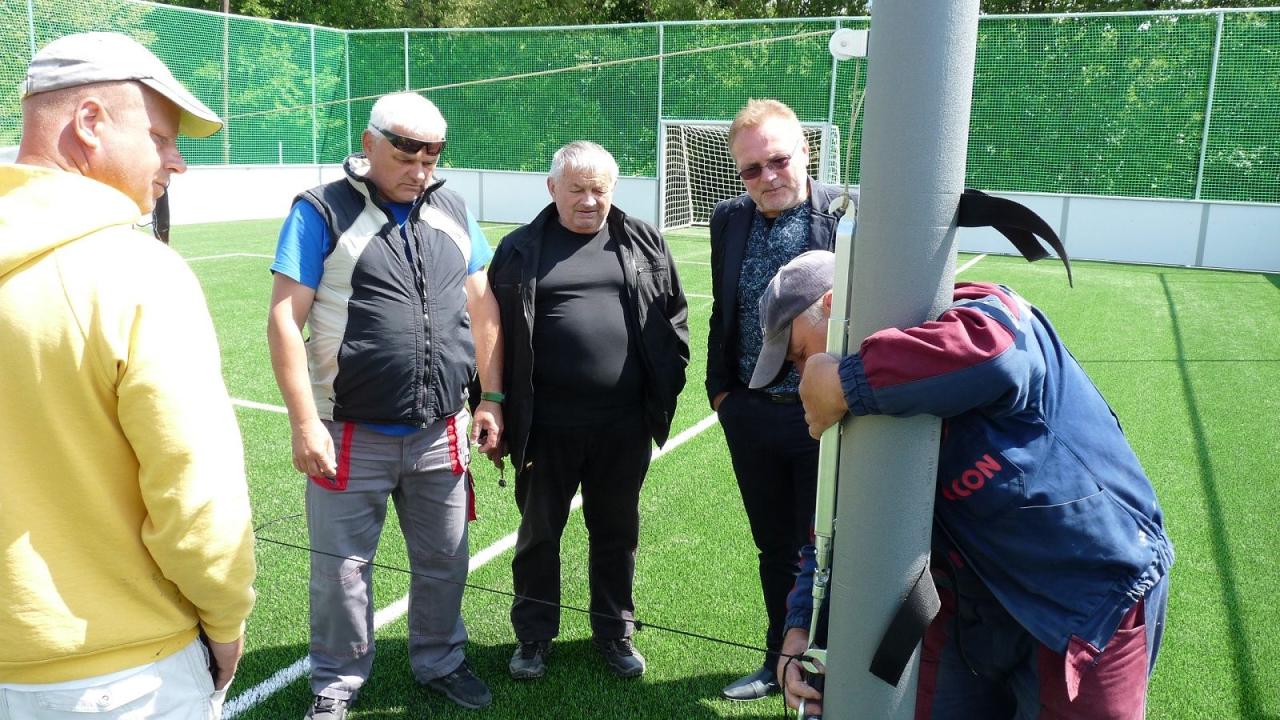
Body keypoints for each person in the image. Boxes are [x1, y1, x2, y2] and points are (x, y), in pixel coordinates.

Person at [749, 250, 1173, 718]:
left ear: (834, 304)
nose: (802, 376)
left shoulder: (977, 308)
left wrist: (847, 382)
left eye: (800, 354)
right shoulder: (855, 411)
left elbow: (997, 354)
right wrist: (799, 631)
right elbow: (831, 528)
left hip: (1084, 597)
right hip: (964, 612)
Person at [0, 32, 256, 719]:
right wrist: (226, 619)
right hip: (118, 678)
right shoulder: (137, 273)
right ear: (90, 121)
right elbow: (197, 498)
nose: (177, 161)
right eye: (161, 137)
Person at [266, 91, 504, 719]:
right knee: (341, 571)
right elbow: (284, 320)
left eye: (431, 158)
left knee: (446, 559)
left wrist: (492, 398)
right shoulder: (321, 210)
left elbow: (483, 307)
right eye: (406, 156)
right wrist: (303, 423)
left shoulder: (453, 208)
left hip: (441, 429)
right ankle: (336, 682)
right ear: (369, 144)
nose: (420, 171)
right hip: (347, 431)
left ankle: (441, 659)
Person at [487, 141, 689, 681]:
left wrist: (667, 381)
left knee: (616, 531)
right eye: (576, 189)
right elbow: (489, 334)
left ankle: (614, 631)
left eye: (599, 189)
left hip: (623, 425)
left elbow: (675, 317)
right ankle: (533, 636)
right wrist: (492, 406)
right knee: (538, 536)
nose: (589, 200)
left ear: (613, 189)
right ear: (552, 188)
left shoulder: (644, 240)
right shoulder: (518, 249)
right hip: (544, 427)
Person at [706, 98, 857, 701]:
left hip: (825, 419)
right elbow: (723, 313)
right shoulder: (728, 219)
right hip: (749, 414)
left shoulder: (847, 217)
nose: (767, 177)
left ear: (806, 152)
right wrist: (723, 395)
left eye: (779, 161)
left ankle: (829, 667)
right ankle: (780, 661)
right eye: (751, 169)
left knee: (824, 547)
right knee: (773, 547)